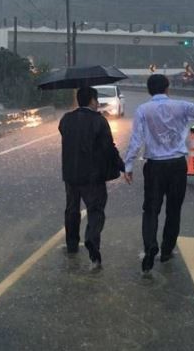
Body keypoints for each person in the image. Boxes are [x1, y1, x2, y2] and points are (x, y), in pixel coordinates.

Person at [124, 74, 194, 275]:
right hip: (177, 165)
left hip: (154, 167)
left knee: (151, 210)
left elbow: (136, 139)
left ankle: (150, 245)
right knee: (173, 210)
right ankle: (166, 251)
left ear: (150, 90)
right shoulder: (181, 106)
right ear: (167, 88)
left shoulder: (143, 110)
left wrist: (129, 165)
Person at [59, 87, 125, 270]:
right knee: (95, 211)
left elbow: (65, 134)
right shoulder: (99, 121)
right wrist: (122, 165)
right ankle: (91, 241)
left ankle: (72, 245)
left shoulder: (66, 119)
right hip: (93, 176)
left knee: (72, 209)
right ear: (92, 101)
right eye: (96, 100)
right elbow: (109, 148)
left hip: (71, 174)